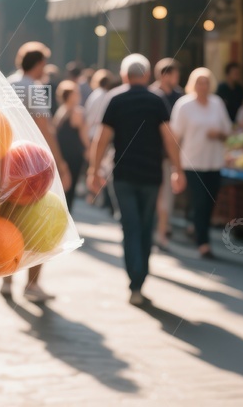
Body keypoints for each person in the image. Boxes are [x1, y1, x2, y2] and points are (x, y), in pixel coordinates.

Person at [87, 54, 186, 306]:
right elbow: (169, 138)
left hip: (123, 174)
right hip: (151, 174)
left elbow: (102, 138)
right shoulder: (157, 100)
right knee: (145, 226)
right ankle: (140, 280)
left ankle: (135, 283)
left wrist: (94, 170)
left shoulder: (115, 99)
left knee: (130, 226)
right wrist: (178, 169)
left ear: (124, 75)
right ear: (147, 75)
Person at [5, 42, 72, 302]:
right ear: (40, 64)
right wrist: (61, 163)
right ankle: (32, 285)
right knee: (38, 224)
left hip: (7, 161)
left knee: (9, 220)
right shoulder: (33, 88)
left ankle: (7, 279)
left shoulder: (9, 83)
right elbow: (45, 128)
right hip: (33, 165)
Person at [171, 68, 232, 259]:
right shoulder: (184, 105)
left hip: (213, 162)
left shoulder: (217, 103)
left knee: (210, 202)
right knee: (200, 202)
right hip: (192, 162)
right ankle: (203, 242)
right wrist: (176, 166)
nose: (203, 86)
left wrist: (218, 134)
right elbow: (175, 137)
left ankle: (197, 229)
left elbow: (227, 131)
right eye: (199, 82)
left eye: (206, 82)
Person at [150, 58, 184, 249]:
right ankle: (155, 230)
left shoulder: (179, 96)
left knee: (166, 197)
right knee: (155, 196)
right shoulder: (152, 95)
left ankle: (162, 232)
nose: (177, 78)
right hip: (153, 153)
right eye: (175, 74)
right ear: (165, 75)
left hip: (170, 154)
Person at [84, 69, 120, 214]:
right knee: (104, 168)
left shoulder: (95, 95)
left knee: (96, 166)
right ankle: (101, 198)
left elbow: (88, 117)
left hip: (94, 134)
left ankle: (95, 196)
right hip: (104, 135)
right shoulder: (108, 96)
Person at [54, 80, 89, 213]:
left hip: (61, 153)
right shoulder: (77, 112)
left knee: (61, 184)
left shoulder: (61, 111)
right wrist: (89, 150)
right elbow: (84, 136)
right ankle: (66, 212)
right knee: (71, 185)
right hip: (74, 155)